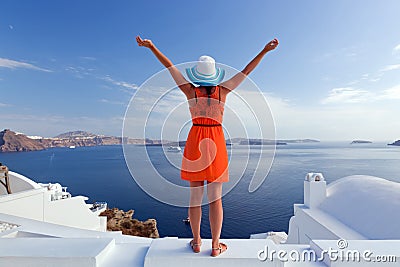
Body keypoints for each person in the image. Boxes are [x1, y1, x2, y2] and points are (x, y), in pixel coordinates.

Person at [136, 35, 278, 256]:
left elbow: (170, 67)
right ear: (214, 75)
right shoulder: (223, 91)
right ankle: (215, 245)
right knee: (216, 198)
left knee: (194, 197)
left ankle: (196, 242)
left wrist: (152, 46)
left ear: (198, 75)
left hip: (195, 140)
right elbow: (246, 71)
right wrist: (264, 51)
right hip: (216, 141)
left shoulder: (191, 91)